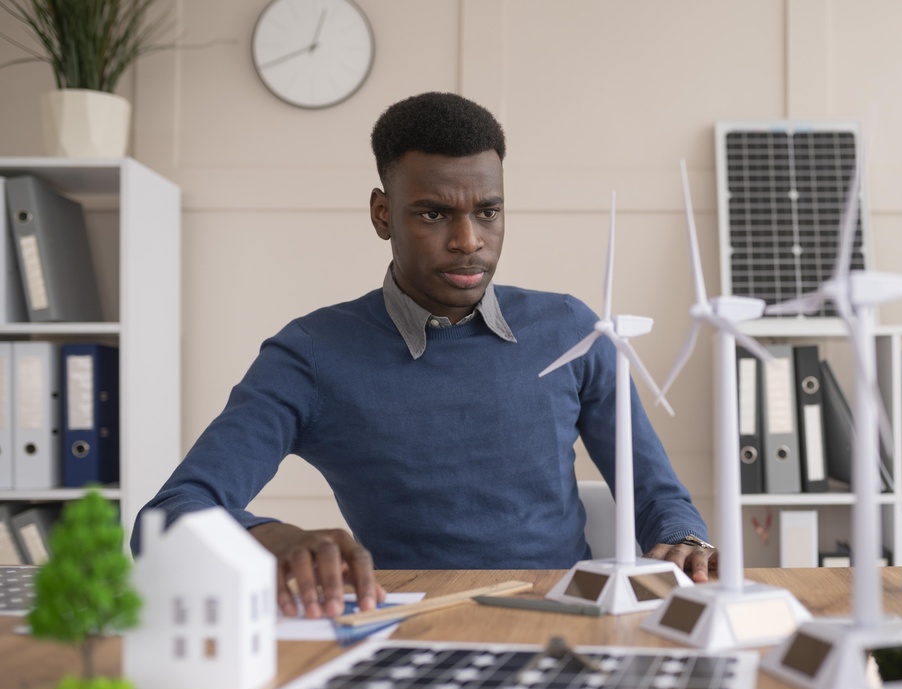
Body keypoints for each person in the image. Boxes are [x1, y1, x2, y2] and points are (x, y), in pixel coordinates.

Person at [137, 92, 716, 619]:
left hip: (565, 622)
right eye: (434, 214)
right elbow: (164, 517)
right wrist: (272, 539)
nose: (469, 240)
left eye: (488, 211)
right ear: (383, 214)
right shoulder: (313, 354)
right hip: (409, 628)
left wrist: (686, 539)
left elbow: (656, 493)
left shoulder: (571, 327)